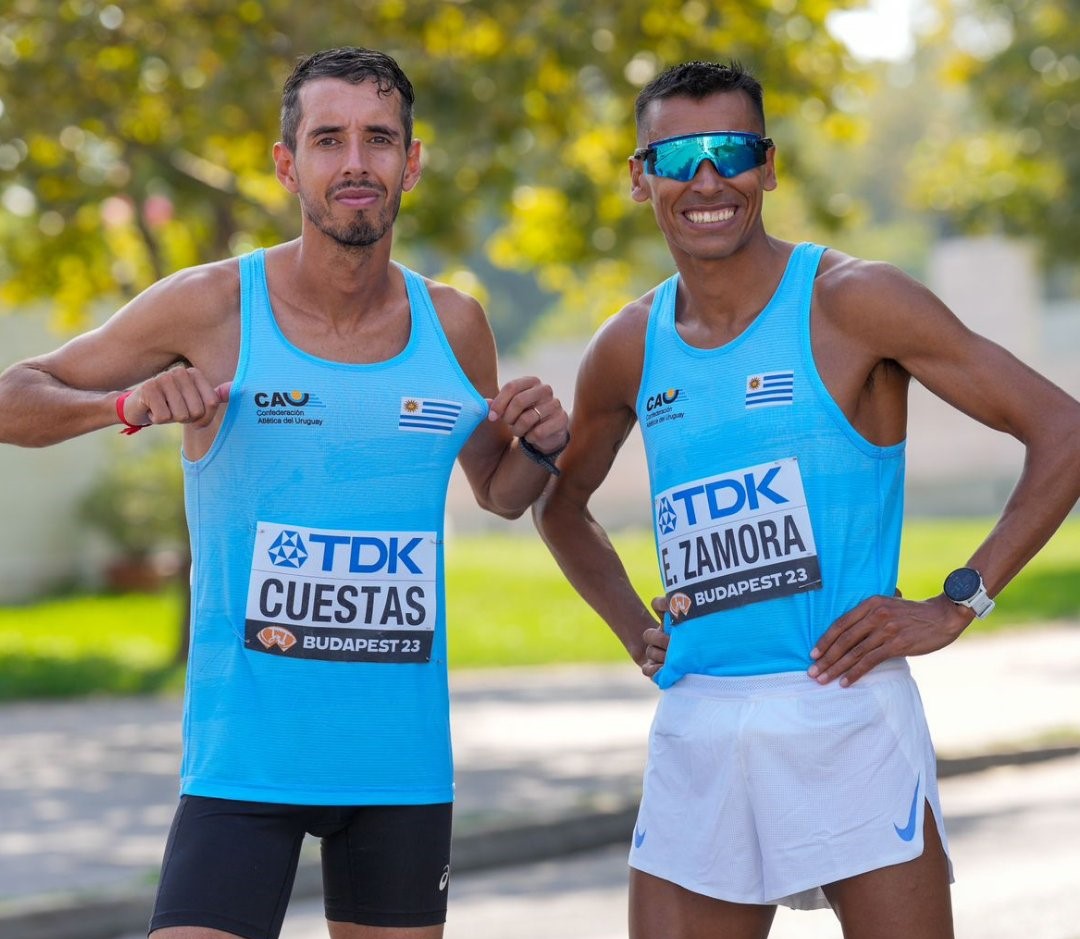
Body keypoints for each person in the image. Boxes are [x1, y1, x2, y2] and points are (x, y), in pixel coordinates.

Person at [0, 47, 569, 939]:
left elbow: (499, 490)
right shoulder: (211, 308)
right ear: (285, 163)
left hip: (399, 764)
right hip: (242, 761)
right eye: (328, 139)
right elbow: (12, 397)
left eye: (379, 140)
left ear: (410, 164)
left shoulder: (455, 323)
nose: (355, 163)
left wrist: (544, 443)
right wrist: (124, 402)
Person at [533, 59, 1080, 939]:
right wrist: (634, 623)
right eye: (678, 157)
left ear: (770, 166)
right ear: (641, 178)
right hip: (701, 718)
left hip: (845, 709)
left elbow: (1064, 430)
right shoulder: (628, 344)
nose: (707, 179)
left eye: (731, 151)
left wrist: (959, 600)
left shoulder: (855, 302)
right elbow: (560, 505)